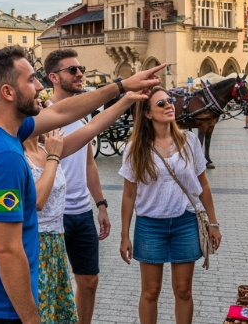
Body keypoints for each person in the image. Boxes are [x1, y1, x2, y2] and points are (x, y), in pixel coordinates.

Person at [0, 45, 164, 323]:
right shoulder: (5, 158)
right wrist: (31, 318)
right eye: (30, 80)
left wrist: (122, 87)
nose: (40, 86)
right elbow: (6, 250)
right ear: (8, 92)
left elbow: (63, 113)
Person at [24, 91, 143, 323]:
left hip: (56, 242)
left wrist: (126, 97)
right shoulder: (23, 153)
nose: (40, 99)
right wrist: (54, 157)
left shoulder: (46, 147)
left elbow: (91, 130)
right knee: (41, 310)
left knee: (59, 308)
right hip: (36, 242)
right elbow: (37, 201)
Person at [119, 87, 222, 324]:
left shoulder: (190, 141)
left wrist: (214, 223)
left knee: (183, 290)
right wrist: (124, 236)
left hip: (185, 223)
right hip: (149, 226)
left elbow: (203, 185)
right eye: (161, 103)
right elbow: (128, 194)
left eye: (170, 101)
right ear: (147, 114)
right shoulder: (135, 148)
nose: (169, 105)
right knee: (150, 292)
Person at [41, 48, 112, 324]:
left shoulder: (82, 118)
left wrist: (101, 204)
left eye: (80, 68)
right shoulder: (44, 119)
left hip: (82, 213)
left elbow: (89, 164)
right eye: (72, 70)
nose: (80, 73)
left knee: (89, 280)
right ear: (54, 78)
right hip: (53, 214)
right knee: (51, 285)